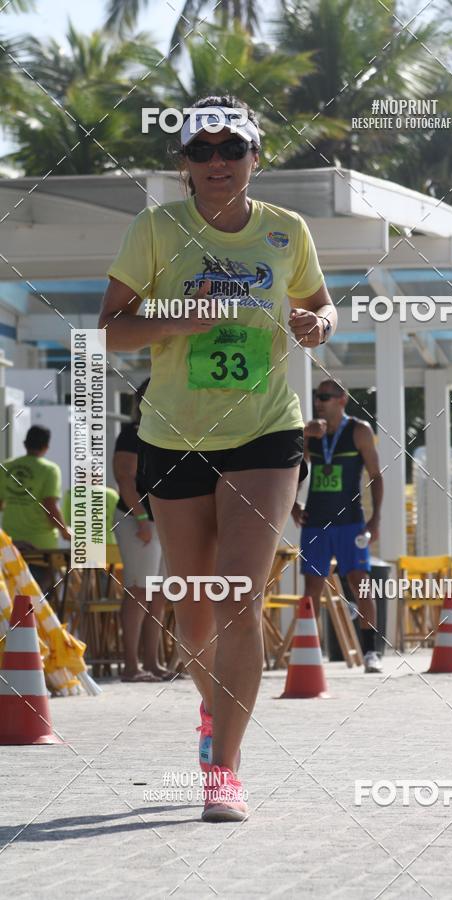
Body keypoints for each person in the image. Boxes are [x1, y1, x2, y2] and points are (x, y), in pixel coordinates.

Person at [98, 94, 336, 822]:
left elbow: (323, 304)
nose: (217, 161)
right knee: (194, 614)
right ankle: (214, 712)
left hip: (265, 433)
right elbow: (108, 330)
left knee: (238, 596)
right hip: (173, 437)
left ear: (254, 157)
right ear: (184, 165)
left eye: (232, 148)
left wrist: (317, 324)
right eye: (201, 151)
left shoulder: (286, 231)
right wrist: (178, 317)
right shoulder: (155, 228)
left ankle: (224, 770)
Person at [291, 380, 384, 673]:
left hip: (350, 522)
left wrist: (376, 518)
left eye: (325, 397)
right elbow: (293, 468)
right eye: (317, 397)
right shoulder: (312, 432)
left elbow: (376, 475)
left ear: (342, 400)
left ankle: (371, 652)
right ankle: (309, 652)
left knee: (360, 582)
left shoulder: (359, 430)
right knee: (312, 588)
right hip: (316, 522)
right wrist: (293, 504)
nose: (319, 402)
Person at [112, 379, 169, 682]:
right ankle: (131, 665)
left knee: (157, 594)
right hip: (136, 518)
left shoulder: (165, 432)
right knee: (138, 590)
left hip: (161, 520)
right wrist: (143, 519)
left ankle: (152, 662)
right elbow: (125, 479)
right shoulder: (131, 434)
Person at [0, 425, 70, 595]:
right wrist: (64, 531)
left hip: (11, 543)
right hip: (41, 546)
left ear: (25, 444)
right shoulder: (49, 469)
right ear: (46, 446)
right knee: (39, 597)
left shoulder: (6, 467)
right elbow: (50, 506)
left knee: (14, 595)